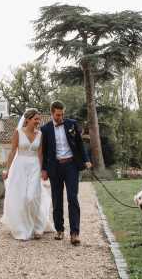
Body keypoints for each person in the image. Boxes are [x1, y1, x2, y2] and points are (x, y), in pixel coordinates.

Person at [40, 101, 92, 246]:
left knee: (72, 198)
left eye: (62, 114)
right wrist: (44, 169)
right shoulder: (45, 129)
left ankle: (75, 233)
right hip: (55, 167)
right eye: (58, 115)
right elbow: (43, 152)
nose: (61, 117)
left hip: (71, 166)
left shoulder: (72, 124)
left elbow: (80, 144)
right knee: (57, 200)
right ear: (52, 113)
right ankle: (59, 230)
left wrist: (86, 160)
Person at [1, 108, 54, 240]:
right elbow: (13, 151)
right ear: (28, 119)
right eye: (36, 118)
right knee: (21, 197)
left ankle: (37, 225)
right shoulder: (18, 132)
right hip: (19, 167)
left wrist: (43, 170)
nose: (38, 121)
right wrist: (7, 169)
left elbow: (40, 153)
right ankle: (23, 228)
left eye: (39, 118)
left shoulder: (40, 134)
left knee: (31, 197)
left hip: (35, 166)